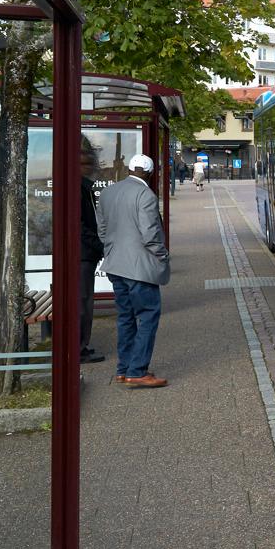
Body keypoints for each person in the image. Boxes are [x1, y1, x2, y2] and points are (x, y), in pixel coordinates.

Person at [98, 154, 171, 388]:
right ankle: (138, 371)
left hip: (115, 265)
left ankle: (124, 368)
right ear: (149, 173)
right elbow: (151, 233)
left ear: (130, 169)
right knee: (148, 315)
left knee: (125, 317)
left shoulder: (108, 192)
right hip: (139, 267)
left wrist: (111, 251)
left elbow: (102, 229)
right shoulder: (145, 194)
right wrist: (161, 255)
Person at [79, 141, 106, 364]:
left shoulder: (84, 188)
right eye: (88, 165)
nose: (93, 168)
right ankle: (79, 348)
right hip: (83, 255)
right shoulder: (80, 189)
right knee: (83, 301)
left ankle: (81, 345)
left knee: (85, 300)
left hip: (85, 253)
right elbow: (81, 227)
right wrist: (100, 245)